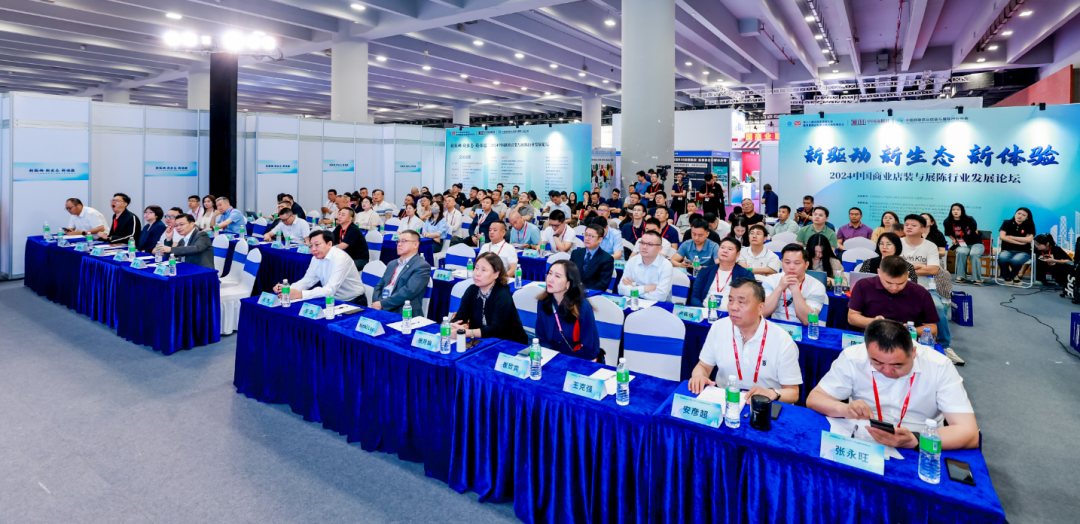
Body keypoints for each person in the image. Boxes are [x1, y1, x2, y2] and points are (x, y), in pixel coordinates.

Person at [807, 319, 979, 450]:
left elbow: (969, 433)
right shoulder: (853, 357)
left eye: (897, 365)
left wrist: (916, 440)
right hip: (864, 438)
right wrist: (844, 409)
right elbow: (815, 399)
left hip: (918, 442)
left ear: (913, 353)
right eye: (877, 362)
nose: (887, 371)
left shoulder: (939, 366)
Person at [689, 278, 802, 402]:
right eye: (730, 300)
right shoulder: (718, 327)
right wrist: (698, 376)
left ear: (760, 308)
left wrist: (771, 393)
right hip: (726, 400)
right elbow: (703, 366)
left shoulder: (782, 340)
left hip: (763, 405)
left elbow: (793, 393)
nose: (733, 307)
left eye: (741, 302)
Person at [899, 214, 957, 363]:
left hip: (925, 288)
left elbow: (933, 270)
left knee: (939, 308)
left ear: (923, 229)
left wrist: (906, 268)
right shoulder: (897, 243)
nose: (909, 227)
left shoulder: (930, 246)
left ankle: (945, 346)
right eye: (906, 224)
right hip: (898, 286)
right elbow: (892, 268)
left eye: (913, 225)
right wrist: (920, 266)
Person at [848, 256, 939, 337]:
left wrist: (909, 331)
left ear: (907, 275)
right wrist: (874, 322)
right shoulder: (863, 285)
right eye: (889, 283)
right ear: (879, 272)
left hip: (906, 341)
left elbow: (933, 329)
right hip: (870, 337)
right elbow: (852, 317)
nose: (894, 288)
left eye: (900, 283)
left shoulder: (921, 293)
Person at [450, 252, 529, 344]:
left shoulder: (503, 295)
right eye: (476, 268)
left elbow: (496, 329)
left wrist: (466, 332)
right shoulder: (471, 290)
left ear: (496, 274)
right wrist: (453, 326)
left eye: (483, 270)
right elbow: (460, 317)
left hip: (509, 343)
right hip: (481, 340)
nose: (477, 273)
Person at [273, 230, 366, 304]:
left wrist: (301, 294)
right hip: (331, 299)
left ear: (329, 244)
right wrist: (288, 289)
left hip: (353, 301)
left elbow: (330, 289)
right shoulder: (316, 258)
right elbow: (307, 280)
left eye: (317, 245)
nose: (313, 249)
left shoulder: (340, 258)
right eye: (310, 246)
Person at [762, 244, 827, 326]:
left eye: (797, 263)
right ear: (782, 262)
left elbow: (808, 321)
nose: (791, 267)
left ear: (806, 265)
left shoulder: (817, 286)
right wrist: (779, 288)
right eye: (787, 262)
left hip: (802, 329)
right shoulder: (770, 280)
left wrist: (795, 290)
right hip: (775, 326)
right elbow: (763, 313)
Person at [371, 230, 431, 313]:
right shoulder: (392, 264)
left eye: (403, 241)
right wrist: (377, 303)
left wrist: (382, 304)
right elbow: (379, 286)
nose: (399, 244)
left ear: (415, 244)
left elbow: (408, 292)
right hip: (382, 307)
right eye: (398, 241)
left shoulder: (422, 266)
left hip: (403, 311)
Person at [690, 237, 754, 309]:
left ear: (737, 254)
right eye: (722, 248)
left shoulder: (745, 275)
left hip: (732, 314)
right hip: (705, 312)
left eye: (730, 249)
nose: (725, 251)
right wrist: (703, 311)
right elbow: (695, 297)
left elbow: (748, 300)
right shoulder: (705, 271)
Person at [617, 230, 673, 301]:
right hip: (633, 302)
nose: (644, 247)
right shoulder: (632, 261)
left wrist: (635, 288)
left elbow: (660, 297)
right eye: (642, 243)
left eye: (650, 244)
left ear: (659, 248)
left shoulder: (666, 265)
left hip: (658, 305)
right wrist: (646, 288)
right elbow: (621, 289)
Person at [943, 203, 984, 285]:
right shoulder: (948, 221)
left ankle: (977, 279)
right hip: (962, 244)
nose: (955, 211)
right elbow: (948, 233)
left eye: (958, 210)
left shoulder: (969, 219)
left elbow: (975, 230)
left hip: (976, 243)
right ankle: (961, 277)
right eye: (953, 209)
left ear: (962, 211)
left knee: (974, 254)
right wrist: (954, 239)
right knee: (961, 252)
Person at [570, 223, 615, 291]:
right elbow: (568, 273)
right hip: (572, 291)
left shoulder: (606, 259)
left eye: (591, 236)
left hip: (591, 294)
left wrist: (584, 292)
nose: (587, 238)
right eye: (586, 235)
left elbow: (602, 284)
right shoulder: (576, 253)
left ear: (600, 239)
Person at [997, 207, 1036, 284]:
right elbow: (1002, 237)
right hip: (1007, 250)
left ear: (1027, 217)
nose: (1020, 216)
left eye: (1023, 215)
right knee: (1002, 258)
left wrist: (1010, 237)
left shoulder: (1030, 225)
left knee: (1016, 260)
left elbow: (1028, 240)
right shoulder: (1006, 223)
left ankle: (1010, 277)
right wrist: (1020, 242)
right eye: (1018, 213)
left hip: (1023, 251)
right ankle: (1012, 276)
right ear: (1015, 214)